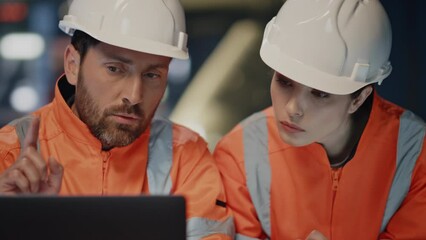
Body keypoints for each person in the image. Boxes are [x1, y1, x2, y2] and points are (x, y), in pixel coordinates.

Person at [0, 0, 234, 239]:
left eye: (152, 74)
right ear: (72, 65)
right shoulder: (9, 155)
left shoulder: (186, 157)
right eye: (115, 69)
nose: (133, 96)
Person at [214, 0, 426, 239]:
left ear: (359, 98)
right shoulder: (240, 154)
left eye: (320, 93)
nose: (293, 108)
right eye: (284, 82)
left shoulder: (416, 156)